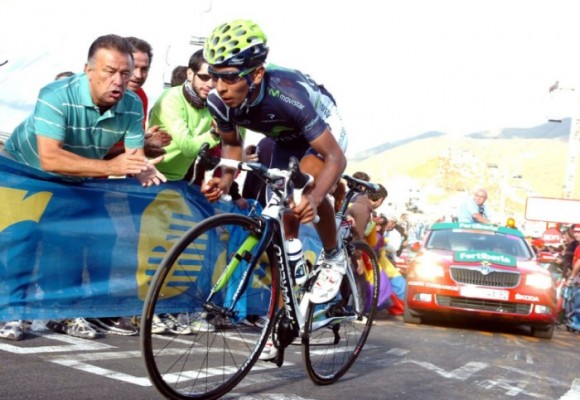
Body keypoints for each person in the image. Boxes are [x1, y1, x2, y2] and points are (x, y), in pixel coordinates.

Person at [0, 34, 166, 341]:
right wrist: (111, 168)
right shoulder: (55, 95)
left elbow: (134, 156)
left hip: (75, 177)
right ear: (88, 70)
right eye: (109, 71)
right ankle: (11, 312)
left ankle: (59, 313)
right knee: (22, 237)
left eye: (125, 74)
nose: (119, 81)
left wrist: (144, 169)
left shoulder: (131, 106)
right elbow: (50, 158)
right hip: (24, 169)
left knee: (70, 242)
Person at [201, 19, 348, 309]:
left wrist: (315, 198)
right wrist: (225, 178)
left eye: (230, 77)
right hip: (285, 139)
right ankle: (281, 315)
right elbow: (232, 146)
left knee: (305, 190)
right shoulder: (218, 102)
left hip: (322, 128)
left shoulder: (287, 95)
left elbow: (335, 158)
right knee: (283, 225)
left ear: (256, 73)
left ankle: (333, 255)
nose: (221, 87)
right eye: (214, 75)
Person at [148, 49, 220, 181]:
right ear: (190, 74)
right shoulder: (170, 98)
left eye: (215, 78)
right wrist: (215, 133)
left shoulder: (214, 102)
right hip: (148, 175)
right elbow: (188, 148)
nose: (210, 84)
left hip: (179, 179)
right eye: (204, 77)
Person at [104, 36, 171, 161]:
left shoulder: (140, 97)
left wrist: (144, 138)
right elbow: (91, 152)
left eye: (144, 69)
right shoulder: (99, 95)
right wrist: (141, 146)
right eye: (133, 67)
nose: (138, 75)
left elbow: (127, 141)